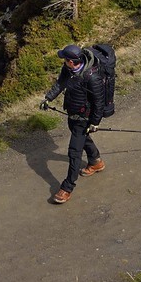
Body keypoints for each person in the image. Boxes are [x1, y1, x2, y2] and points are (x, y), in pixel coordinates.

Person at [40, 44, 109, 204]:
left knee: (74, 152)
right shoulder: (68, 70)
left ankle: (67, 187)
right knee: (82, 139)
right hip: (71, 113)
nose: (63, 61)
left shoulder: (92, 77)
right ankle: (96, 162)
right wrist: (48, 98)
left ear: (72, 61)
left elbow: (99, 102)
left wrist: (95, 122)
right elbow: (60, 84)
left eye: (65, 59)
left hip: (84, 118)